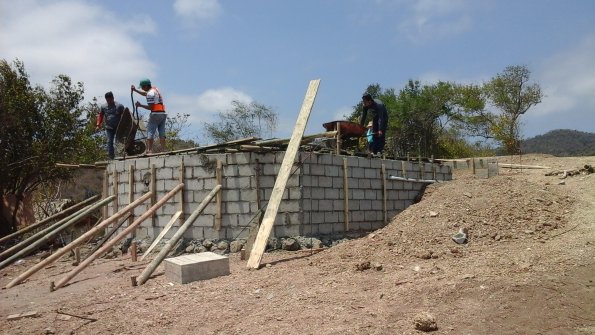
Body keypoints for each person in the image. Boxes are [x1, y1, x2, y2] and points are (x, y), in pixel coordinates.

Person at [131, 78, 167, 154]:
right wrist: (135, 91)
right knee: (162, 133)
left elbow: (151, 107)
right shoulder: (155, 89)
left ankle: (149, 150)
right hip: (163, 114)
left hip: (155, 114)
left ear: (146, 86)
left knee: (150, 132)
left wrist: (140, 105)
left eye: (142, 87)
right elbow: (145, 94)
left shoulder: (149, 94)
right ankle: (163, 150)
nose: (142, 89)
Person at [96, 91, 125, 159]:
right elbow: (100, 115)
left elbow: (125, 115)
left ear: (113, 98)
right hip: (109, 127)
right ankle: (111, 157)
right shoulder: (103, 106)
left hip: (118, 127)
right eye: (107, 100)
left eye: (110, 99)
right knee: (109, 141)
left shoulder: (119, 106)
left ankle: (122, 155)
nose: (109, 101)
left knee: (119, 142)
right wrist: (98, 125)